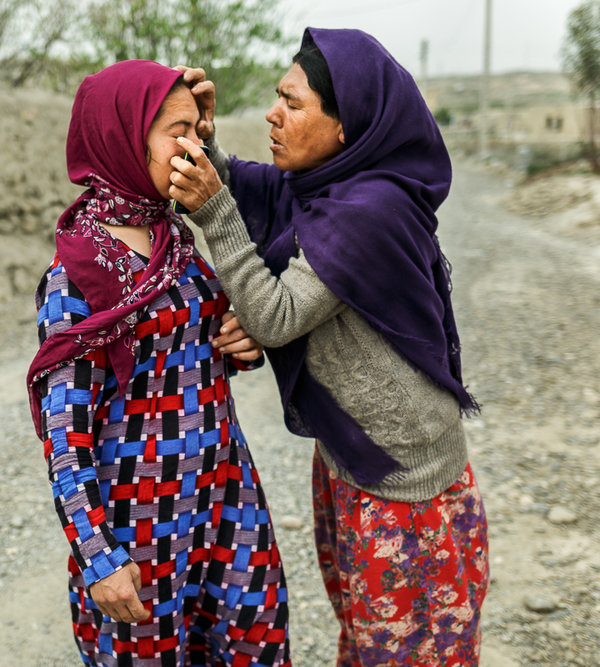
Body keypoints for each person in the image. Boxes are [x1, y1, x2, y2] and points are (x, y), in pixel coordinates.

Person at [167, 28, 490, 667]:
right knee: (370, 638)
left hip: (403, 490)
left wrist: (215, 219)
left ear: (347, 128)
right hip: (356, 459)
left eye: (293, 102)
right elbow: (256, 187)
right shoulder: (327, 184)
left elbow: (277, 315)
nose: (272, 113)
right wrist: (205, 145)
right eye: (276, 97)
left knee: (409, 650)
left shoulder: (368, 209)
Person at [26, 60, 291, 666]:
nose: (194, 145)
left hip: (227, 503)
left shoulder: (175, 237)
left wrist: (241, 338)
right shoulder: (78, 278)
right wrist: (98, 556)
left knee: (253, 645)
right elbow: (65, 436)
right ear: (122, 136)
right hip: (141, 527)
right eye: (177, 130)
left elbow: (208, 342)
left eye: (199, 129)